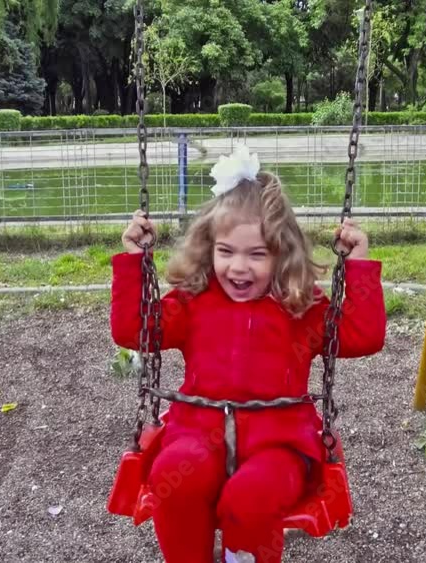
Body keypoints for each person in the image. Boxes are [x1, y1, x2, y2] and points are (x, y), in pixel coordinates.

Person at [111, 145, 386, 563]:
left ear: (282, 254)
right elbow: (136, 332)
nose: (239, 267)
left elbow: (361, 336)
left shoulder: (299, 305)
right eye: (226, 252)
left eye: (257, 254)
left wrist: (358, 264)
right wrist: (136, 262)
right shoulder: (194, 301)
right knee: (172, 478)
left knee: (250, 498)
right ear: (209, 249)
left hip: (280, 447)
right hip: (196, 436)